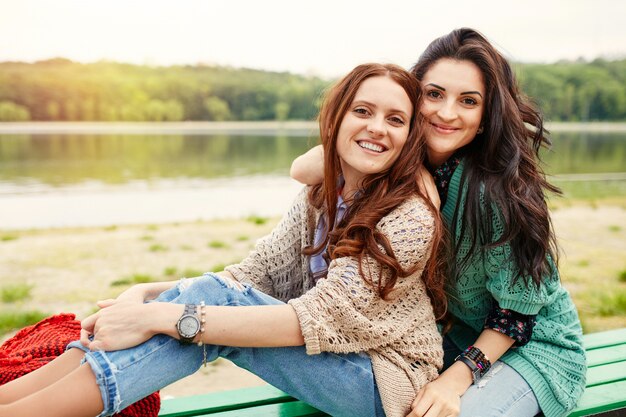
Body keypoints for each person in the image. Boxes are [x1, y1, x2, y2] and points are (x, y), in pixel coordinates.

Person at [0, 63, 448, 417]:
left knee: (202, 315)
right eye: (363, 111)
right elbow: (253, 274)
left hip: (388, 385)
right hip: (332, 357)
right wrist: (146, 297)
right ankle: (14, 400)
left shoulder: (409, 216)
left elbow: (314, 319)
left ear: (409, 137)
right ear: (336, 118)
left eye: (396, 119)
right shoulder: (320, 194)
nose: (377, 128)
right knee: (207, 301)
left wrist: (162, 316)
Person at [290, 28, 586, 417]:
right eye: (434, 94)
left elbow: (516, 315)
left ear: (484, 116)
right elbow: (304, 168)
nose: (447, 113)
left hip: (532, 352)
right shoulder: (394, 156)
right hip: (444, 345)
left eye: (468, 101)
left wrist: (456, 379)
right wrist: (412, 172)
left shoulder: (496, 190)